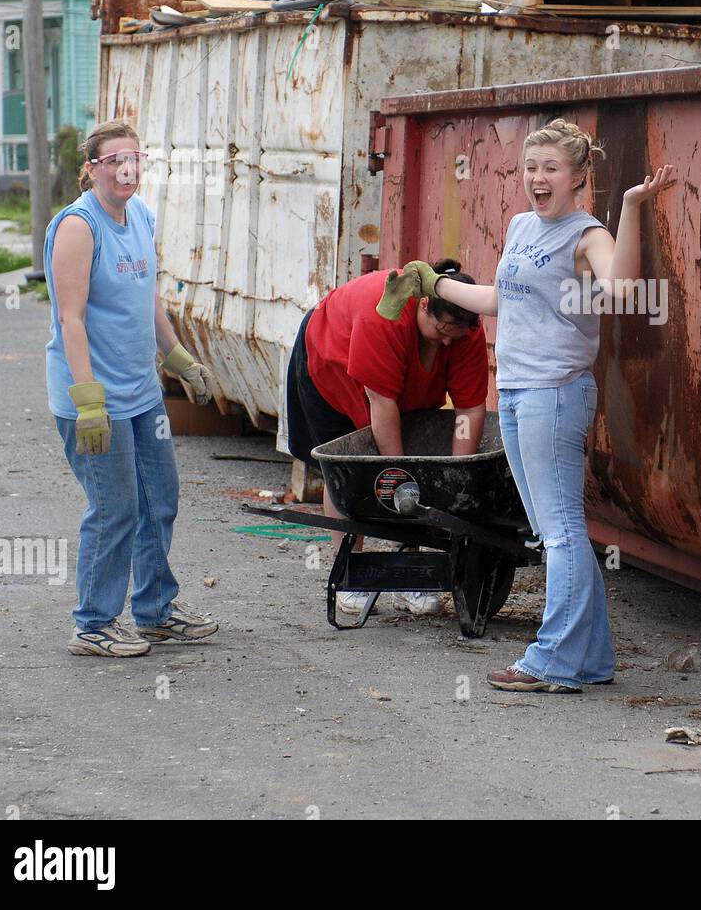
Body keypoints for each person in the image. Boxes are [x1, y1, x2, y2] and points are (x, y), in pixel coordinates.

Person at [381, 119, 675, 691]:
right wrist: (432, 283)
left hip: (556, 393)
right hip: (515, 391)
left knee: (560, 529)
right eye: (530, 168)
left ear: (579, 178)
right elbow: (498, 297)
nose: (537, 179)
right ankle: (591, 660)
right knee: (552, 528)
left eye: (550, 169)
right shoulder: (521, 225)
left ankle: (551, 661)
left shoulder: (586, 235)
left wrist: (634, 206)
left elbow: (618, 292)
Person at [45, 119, 218, 657]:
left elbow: (147, 299)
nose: (126, 168)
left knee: (159, 499)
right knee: (115, 508)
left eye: (134, 158)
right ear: (91, 169)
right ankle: (93, 624)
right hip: (94, 402)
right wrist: (90, 403)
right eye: (113, 160)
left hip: (143, 395)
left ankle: (155, 611)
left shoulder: (139, 215)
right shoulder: (79, 227)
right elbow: (70, 320)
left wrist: (180, 360)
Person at [285, 259, 489, 614]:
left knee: (409, 471)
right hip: (329, 363)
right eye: (441, 331)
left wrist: (458, 475)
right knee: (347, 468)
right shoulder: (384, 316)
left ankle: (410, 577)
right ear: (423, 305)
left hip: (398, 391)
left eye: (453, 336)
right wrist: (399, 478)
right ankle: (350, 575)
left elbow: (470, 410)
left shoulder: (464, 329)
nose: (445, 343)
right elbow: (381, 402)